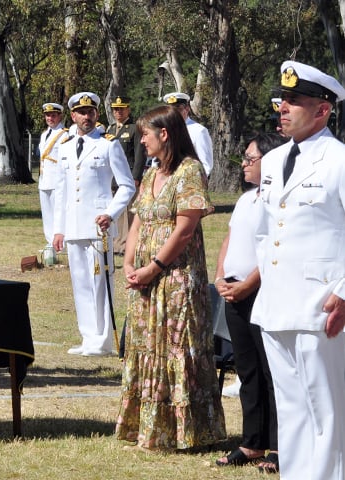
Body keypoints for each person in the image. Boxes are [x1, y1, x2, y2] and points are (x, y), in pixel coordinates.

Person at [251, 60, 345, 479]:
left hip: (322, 302)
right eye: (282, 100)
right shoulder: (271, 161)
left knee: (326, 410)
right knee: (290, 407)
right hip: (277, 301)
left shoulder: (339, 160)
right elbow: (268, 229)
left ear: (323, 110)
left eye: (295, 101)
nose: (283, 108)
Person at [116, 104, 225, 451]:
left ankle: (180, 432)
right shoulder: (151, 173)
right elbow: (138, 220)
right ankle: (146, 428)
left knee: (175, 349)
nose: (141, 141)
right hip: (144, 281)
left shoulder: (189, 171)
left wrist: (154, 268)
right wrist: (129, 262)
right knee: (145, 348)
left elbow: (184, 229)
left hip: (175, 278)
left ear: (164, 134)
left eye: (145, 135)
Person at [213, 133, 287, 472]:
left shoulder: (279, 199)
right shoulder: (245, 200)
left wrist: (247, 285)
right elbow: (230, 238)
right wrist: (220, 276)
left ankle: (278, 446)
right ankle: (252, 442)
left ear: (269, 161)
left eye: (250, 158)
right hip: (233, 292)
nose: (244, 163)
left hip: (261, 290)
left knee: (272, 371)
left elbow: (275, 246)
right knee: (247, 369)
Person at [51, 92, 135, 357]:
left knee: (100, 282)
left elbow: (126, 185)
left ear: (97, 114)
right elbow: (61, 190)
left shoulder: (108, 144)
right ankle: (88, 337)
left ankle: (102, 341)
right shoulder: (64, 145)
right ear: (73, 116)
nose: (87, 117)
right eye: (81, 113)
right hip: (74, 225)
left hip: (99, 225)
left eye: (91, 112)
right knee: (80, 283)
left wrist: (110, 213)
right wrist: (58, 228)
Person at [105, 96, 146, 253]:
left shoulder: (134, 128)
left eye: (121, 109)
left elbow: (139, 155)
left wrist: (136, 176)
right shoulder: (110, 129)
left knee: (128, 213)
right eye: (116, 109)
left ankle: (126, 244)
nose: (118, 112)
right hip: (113, 178)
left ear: (128, 109)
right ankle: (115, 242)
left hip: (128, 177)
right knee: (116, 211)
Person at [37, 102, 67, 247]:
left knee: (58, 213)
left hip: (57, 180)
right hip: (44, 180)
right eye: (47, 115)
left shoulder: (65, 134)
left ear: (60, 116)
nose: (50, 118)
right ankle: (50, 243)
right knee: (47, 215)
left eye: (53, 115)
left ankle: (61, 243)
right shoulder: (44, 135)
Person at [162, 92, 213, 176]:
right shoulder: (164, 130)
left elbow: (206, 165)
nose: (174, 112)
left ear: (187, 109)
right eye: (170, 109)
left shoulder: (198, 131)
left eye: (178, 108)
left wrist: (192, 183)